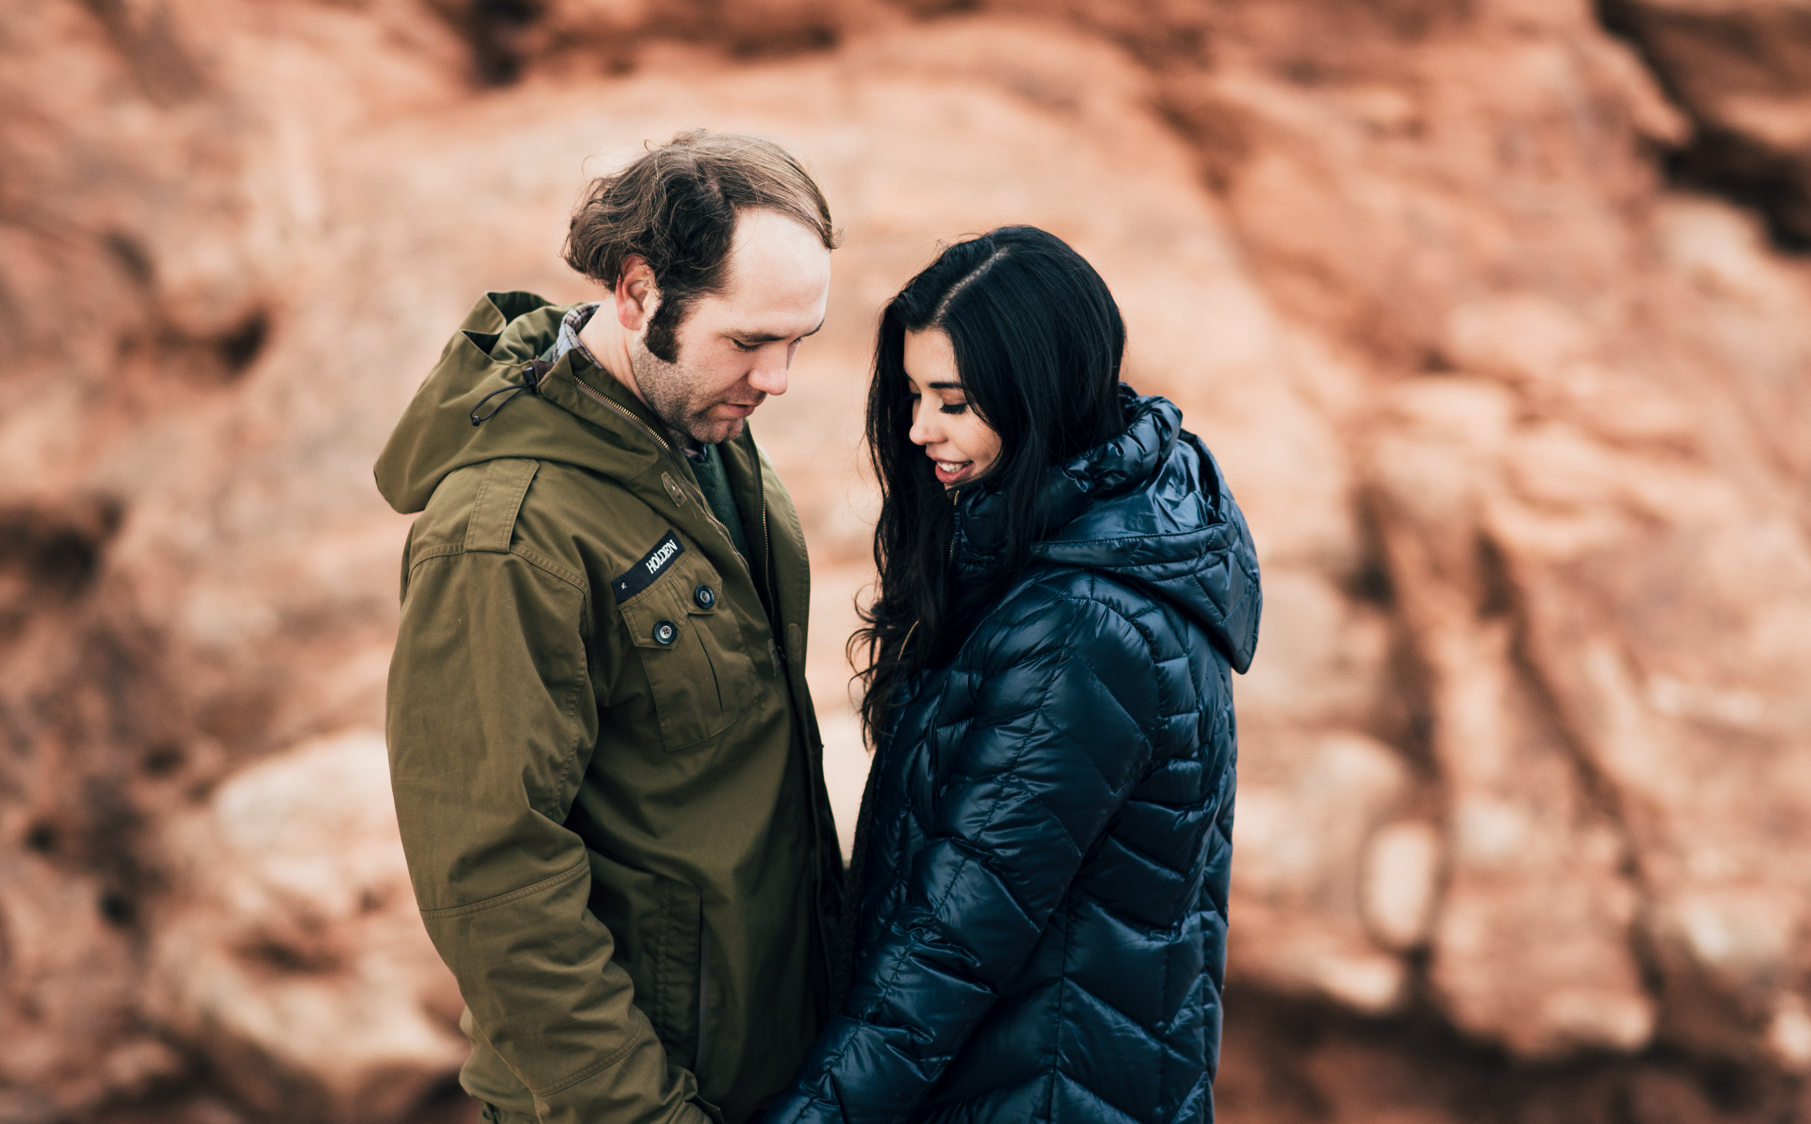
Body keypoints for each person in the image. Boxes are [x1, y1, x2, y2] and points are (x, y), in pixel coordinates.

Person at [375, 131, 848, 1124]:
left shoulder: (697, 429)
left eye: (796, 342)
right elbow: (495, 882)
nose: (777, 380)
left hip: (768, 1071)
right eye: (749, 341)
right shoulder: (503, 541)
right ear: (637, 296)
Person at [766, 227, 1260, 1124]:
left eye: (952, 402)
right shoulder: (1077, 552)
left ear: (1037, 395)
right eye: (914, 395)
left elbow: (951, 943)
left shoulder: (1085, 624)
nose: (919, 431)